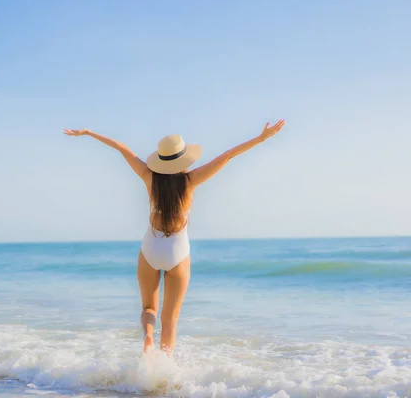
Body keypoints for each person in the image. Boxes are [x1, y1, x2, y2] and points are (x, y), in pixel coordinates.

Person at [64, 120, 286, 354]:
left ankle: (148, 337)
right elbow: (228, 156)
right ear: (183, 159)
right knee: (170, 319)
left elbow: (121, 147)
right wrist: (261, 139)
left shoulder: (149, 177)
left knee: (149, 308)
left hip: (150, 248)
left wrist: (88, 133)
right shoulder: (190, 181)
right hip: (177, 252)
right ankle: (163, 370)